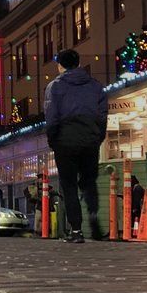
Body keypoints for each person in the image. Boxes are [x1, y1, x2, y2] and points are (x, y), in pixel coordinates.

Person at [44, 49, 107, 243]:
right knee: (89, 181)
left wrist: (53, 139)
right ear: (78, 63)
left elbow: (52, 116)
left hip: (65, 140)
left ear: (60, 65)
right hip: (90, 138)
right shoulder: (96, 86)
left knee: (69, 185)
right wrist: (98, 137)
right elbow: (102, 115)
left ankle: (76, 230)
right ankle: (94, 215)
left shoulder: (54, 87)